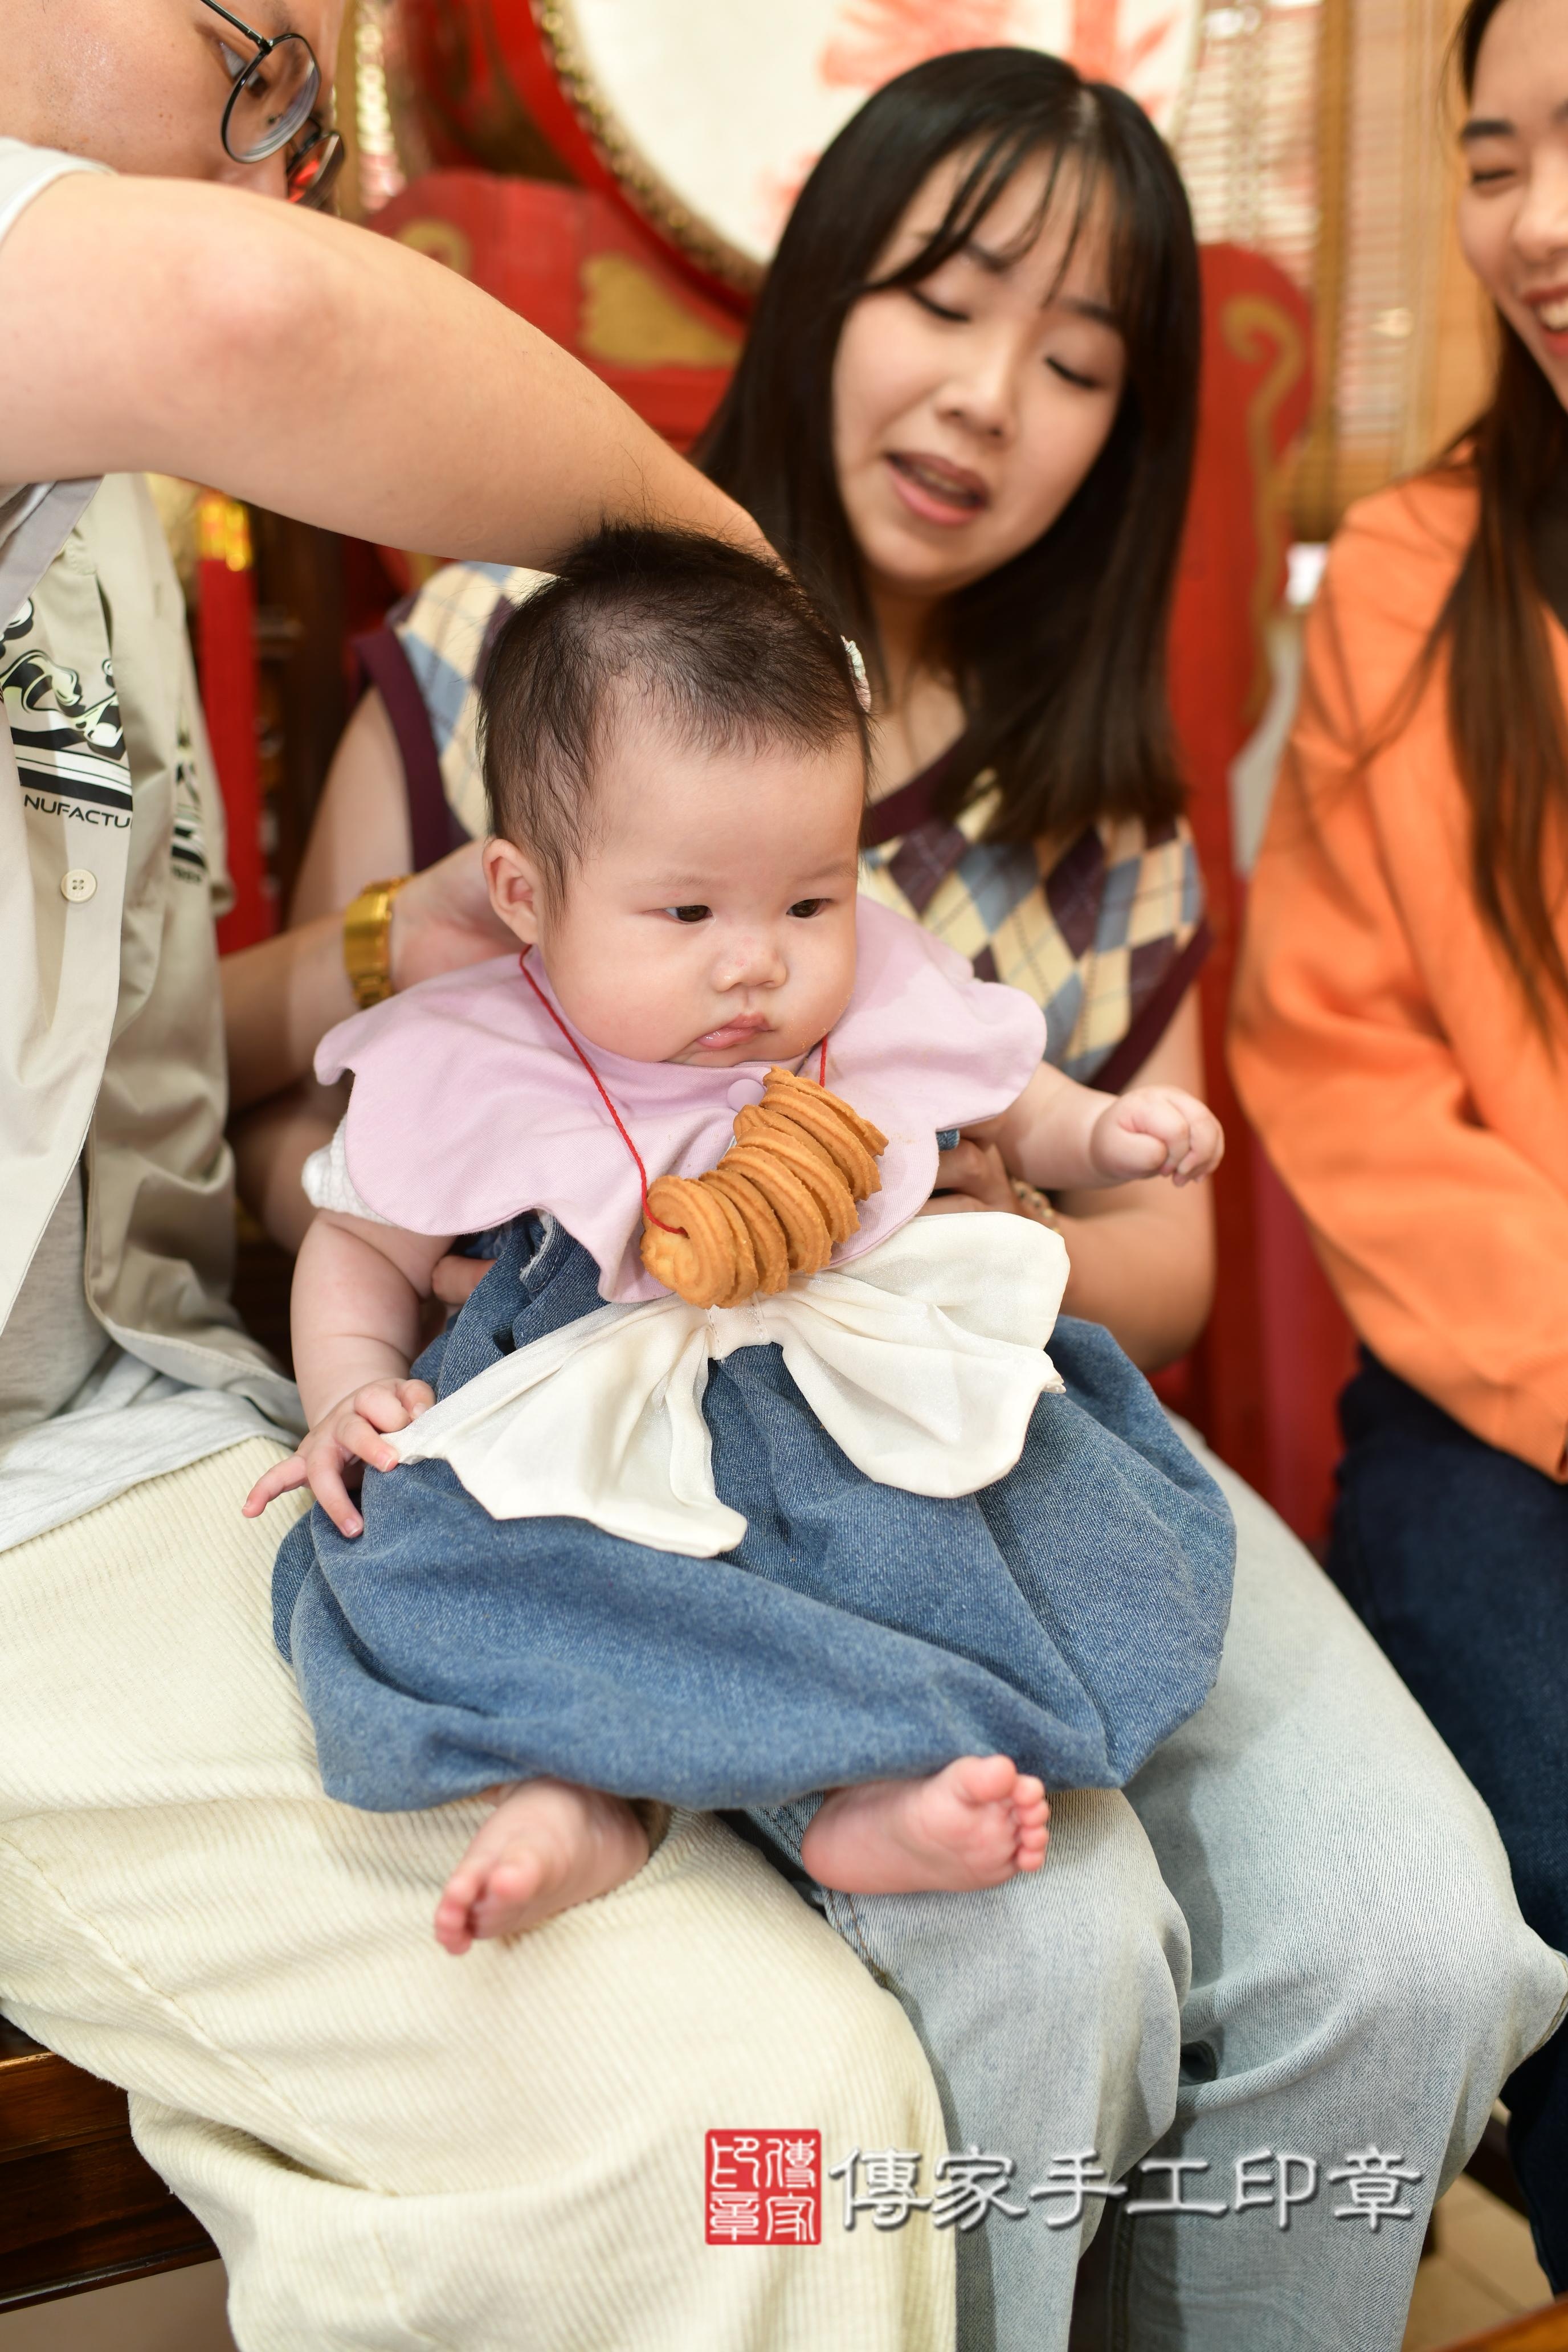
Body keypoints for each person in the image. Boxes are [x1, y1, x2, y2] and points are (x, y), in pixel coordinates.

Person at [248, 46, 1568, 2352]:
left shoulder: (1101, 805)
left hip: (992, 1414)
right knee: (1061, 1936)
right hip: (606, 1432)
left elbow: (1147, 1250)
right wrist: (453, 1259)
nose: (986, 399)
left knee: (1426, 1948)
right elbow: (310, 1131)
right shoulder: (510, 657)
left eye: (1075, 363)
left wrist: (920, 1202)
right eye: (939, 301)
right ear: (817, 292)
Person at [0, 9, 956, 2347]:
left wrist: (372, 961)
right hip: (68, 1502)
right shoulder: (145, 329)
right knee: (768, 2129)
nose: (291, 164)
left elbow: (109, 1083)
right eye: (252, 63)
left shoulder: (91, 494)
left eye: (315, 101)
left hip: (164, 1420)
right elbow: (254, 309)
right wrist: (753, 614)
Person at [244, 524, 1231, 1953]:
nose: (757, 959)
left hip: (845, 1408)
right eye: (688, 909)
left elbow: (1002, 1087)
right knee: (494, 1574)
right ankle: (573, 1791)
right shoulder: (474, 1040)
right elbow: (358, 1239)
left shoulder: (867, 986)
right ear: (525, 894)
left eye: (809, 899)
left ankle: (857, 1795)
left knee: (932, 1570)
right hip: (588, 1415)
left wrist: (1105, 1136)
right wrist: (349, 1387)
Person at [1232, 0, 1568, 2281]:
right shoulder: (1412, 575)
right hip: (1487, 1386)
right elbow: (1344, 1067)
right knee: (1532, 1843)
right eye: (1488, 158)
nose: (1533, 226)